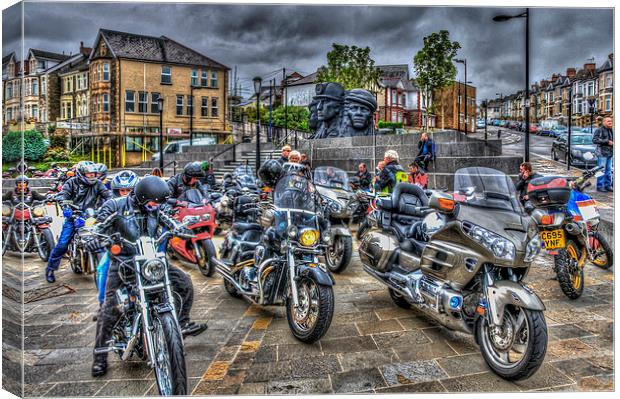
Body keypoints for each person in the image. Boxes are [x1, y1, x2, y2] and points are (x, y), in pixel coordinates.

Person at [89, 176, 207, 377]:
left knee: (184, 283)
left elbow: (168, 221)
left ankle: (178, 329)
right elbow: (99, 225)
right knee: (110, 307)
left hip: (151, 261)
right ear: (142, 197)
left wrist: (181, 228)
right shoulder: (115, 206)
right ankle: (99, 356)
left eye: (158, 204)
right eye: (153, 203)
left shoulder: (155, 208)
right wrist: (94, 237)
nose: (155, 207)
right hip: (123, 263)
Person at [46, 161, 112, 283]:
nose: (92, 176)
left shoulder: (98, 184)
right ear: (81, 174)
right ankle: (50, 269)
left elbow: (108, 195)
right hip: (73, 217)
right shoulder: (71, 182)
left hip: (91, 216)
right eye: (89, 174)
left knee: (106, 238)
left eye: (94, 174)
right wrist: (66, 208)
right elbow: (63, 195)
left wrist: (111, 204)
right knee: (62, 243)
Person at [95, 171, 139, 305]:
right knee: (103, 268)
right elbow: (101, 221)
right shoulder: (111, 205)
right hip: (119, 249)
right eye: (122, 190)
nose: (125, 193)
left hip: (140, 247)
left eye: (129, 190)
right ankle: (103, 303)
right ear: (116, 191)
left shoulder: (142, 205)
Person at [593, 116, 614, 192]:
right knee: (601, 170)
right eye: (608, 121)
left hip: (610, 153)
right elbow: (594, 140)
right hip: (602, 153)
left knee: (609, 170)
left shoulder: (611, 130)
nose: (610, 122)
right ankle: (600, 186)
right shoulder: (599, 130)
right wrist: (607, 141)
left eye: (611, 121)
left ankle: (608, 185)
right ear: (604, 122)